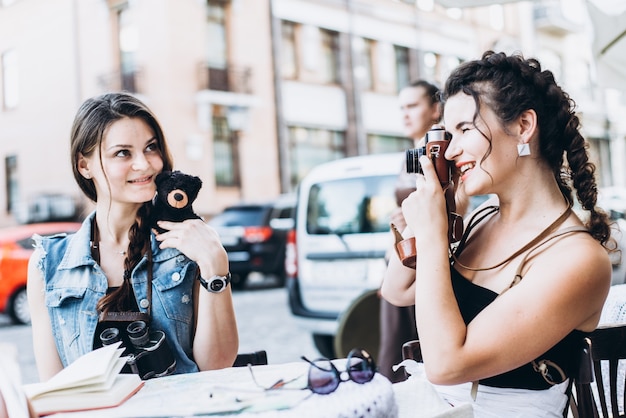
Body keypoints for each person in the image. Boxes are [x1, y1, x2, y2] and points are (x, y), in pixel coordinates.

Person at [381, 51, 614, 417]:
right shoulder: (481, 219)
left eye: (465, 129)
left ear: (523, 126)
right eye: (448, 132)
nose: (452, 150)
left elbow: (446, 364)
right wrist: (439, 215)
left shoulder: (578, 259)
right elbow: (396, 289)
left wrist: (430, 236)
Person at [27, 92, 239, 382]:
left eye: (151, 148)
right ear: (84, 165)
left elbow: (217, 365)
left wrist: (215, 264)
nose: (146, 165)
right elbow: (56, 387)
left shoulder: (188, 246)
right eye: (123, 153)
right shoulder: (49, 264)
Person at [377, 80, 442, 383]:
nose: (405, 114)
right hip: (403, 251)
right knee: (394, 339)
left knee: (412, 343)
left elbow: (455, 208)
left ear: (435, 109)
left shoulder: (438, 154)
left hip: (423, 255)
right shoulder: (411, 153)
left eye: (413, 106)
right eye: (402, 107)